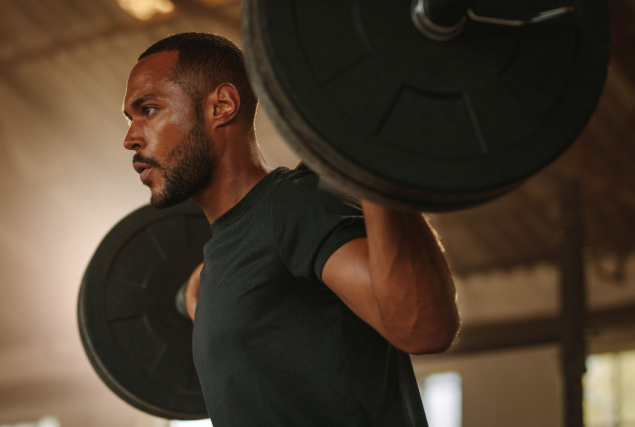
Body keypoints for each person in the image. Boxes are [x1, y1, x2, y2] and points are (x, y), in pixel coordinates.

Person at [122, 32, 459, 426]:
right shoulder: (221, 259)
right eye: (130, 119)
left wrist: (371, 156)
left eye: (148, 109)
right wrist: (195, 293)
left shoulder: (294, 206)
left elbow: (424, 328)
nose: (130, 138)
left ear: (222, 106)